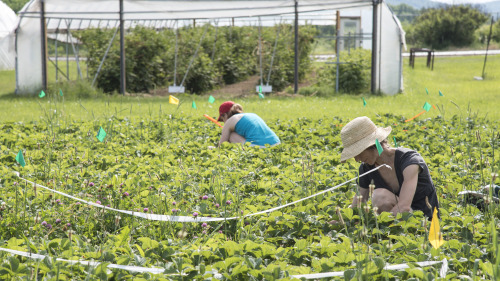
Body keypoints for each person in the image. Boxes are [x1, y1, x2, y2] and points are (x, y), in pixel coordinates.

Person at [339, 116, 439, 219]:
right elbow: (357, 206)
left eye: (358, 153)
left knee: (380, 196)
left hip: (425, 223)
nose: (357, 159)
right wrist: (337, 220)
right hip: (395, 223)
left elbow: (404, 207)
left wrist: (377, 225)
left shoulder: (410, 161)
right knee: (380, 197)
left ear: (372, 144)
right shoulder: (366, 168)